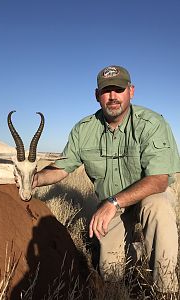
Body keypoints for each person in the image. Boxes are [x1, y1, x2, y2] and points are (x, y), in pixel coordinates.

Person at [32, 65, 180, 295]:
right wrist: (33, 179)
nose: (112, 97)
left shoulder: (152, 124)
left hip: (145, 197)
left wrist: (113, 203)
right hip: (112, 206)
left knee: (159, 207)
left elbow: (159, 180)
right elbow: (62, 168)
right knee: (111, 274)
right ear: (97, 95)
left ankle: (166, 290)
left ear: (131, 91)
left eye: (118, 90)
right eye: (106, 91)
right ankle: (136, 252)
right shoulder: (84, 129)